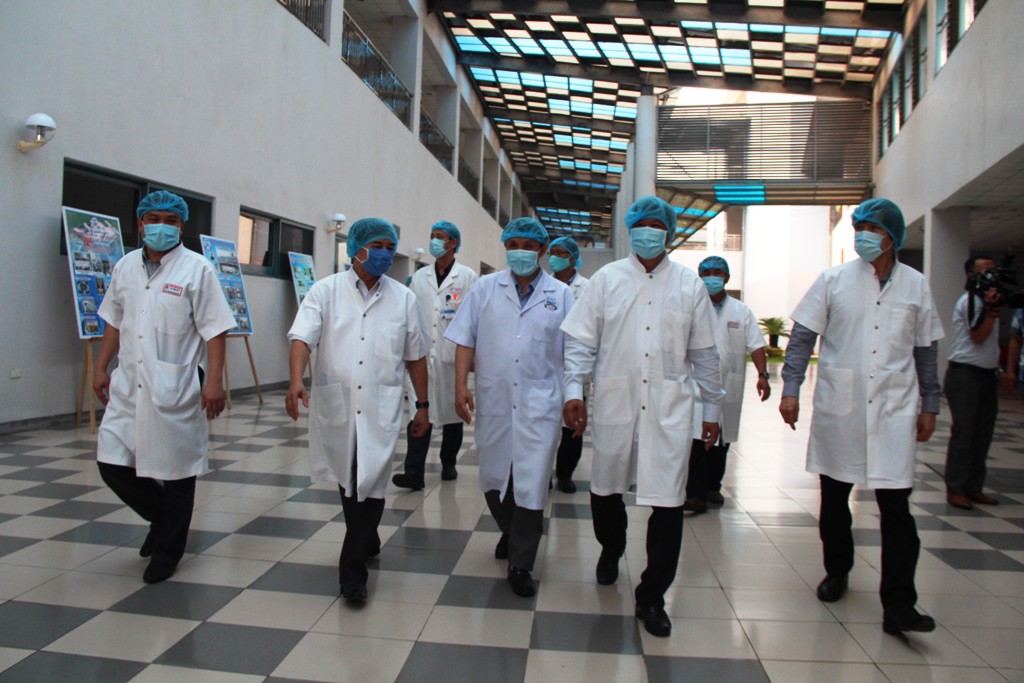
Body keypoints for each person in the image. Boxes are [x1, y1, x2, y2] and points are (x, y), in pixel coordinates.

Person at [561, 195, 725, 638]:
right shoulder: (606, 280)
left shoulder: (690, 286)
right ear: (630, 229)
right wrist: (574, 390)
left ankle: (652, 595)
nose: (649, 230)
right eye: (642, 223)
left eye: (658, 224)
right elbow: (580, 342)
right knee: (605, 489)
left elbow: (706, 354)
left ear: (669, 232)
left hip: (671, 410)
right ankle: (611, 548)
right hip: (617, 402)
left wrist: (713, 408)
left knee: (668, 502)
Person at [780, 198, 944, 635]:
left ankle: (899, 603)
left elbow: (926, 350)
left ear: (893, 236)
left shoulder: (916, 285)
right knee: (835, 500)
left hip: (894, 408)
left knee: (897, 507)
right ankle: (838, 570)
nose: (863, 235)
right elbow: (801, 338)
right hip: (842, 405)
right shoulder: (833, 281)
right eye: (858, 226)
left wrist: (931, 403)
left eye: (872, 227)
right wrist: (791, 390)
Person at [92, 190, 235, 584]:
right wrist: (100, 367)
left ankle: (168, 548)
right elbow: (113, 320)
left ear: (181, 227)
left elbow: (216, 329)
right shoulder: (124, 267)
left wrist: (216, 382)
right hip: (128, 386)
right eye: (154, 218)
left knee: (177, 471)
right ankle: (162, 521)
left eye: (171, 221)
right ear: (140, 223)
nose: (162, 226)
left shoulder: (197, 269)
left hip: (176, 384)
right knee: (112, 464)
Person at [286, 217, 429, 603]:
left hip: (380, 406)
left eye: (389, 246)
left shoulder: (404, 298)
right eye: (377, 245)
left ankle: (352, 572)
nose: (384, 253)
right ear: (356, 248)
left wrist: (424, 406)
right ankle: (367, 535)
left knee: (372, 479)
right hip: (339, 404)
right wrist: (296, 379)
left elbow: (415, 356)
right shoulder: (325, 291)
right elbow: (302, 337)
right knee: (350, 478)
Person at [445, 217, 574, 598]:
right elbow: (465, 340)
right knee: (494, 475)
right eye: (513, 243)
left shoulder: (561, 294)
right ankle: (509, 530)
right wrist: (460, 385)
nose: (520, 251)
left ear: (543, 250)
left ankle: (521, 562)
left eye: (528, 245)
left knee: (531, 482)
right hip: (495, 397)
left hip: (542, 400)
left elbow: (572, 352)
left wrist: (573, 396)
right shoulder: (485, 288)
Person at [393, 220, 478, 490]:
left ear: (453, 243)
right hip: (421, 355)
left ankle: (448, 462)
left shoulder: (467, 278)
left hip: (453, 357)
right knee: (420, 409)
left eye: (439, 237)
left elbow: (475, 319)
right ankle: (414, 471)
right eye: (432, 236)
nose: (434, 241)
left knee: (452, 413)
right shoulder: (419, 277)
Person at [683, 255, 770, 514]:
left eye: (717, 272)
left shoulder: (741, 311)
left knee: (722, 440)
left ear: (727, 278)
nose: (711, 277)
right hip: (697, 384)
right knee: (697, 439)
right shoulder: (692, 307)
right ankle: (695, 493)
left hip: (729, 384)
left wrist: (763, 375)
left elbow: (755, 344)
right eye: (706, 272)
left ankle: (713, 487)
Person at [943, 256, 1005, 510]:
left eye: (993, 271)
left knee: (982, 435)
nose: (990, 275)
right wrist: (990, 311)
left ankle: (974, 487)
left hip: (986, 374)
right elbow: (978, 336)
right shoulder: (969, 301)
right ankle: (956, 488)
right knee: (964, 434)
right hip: (964, 374)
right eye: (985, 271)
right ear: (971, 275)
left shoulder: (991, 302)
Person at [548, 236, 589, 493]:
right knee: (543, 422)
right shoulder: (544, 284)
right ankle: (541, 472)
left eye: (561, 253)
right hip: (547, 363)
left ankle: (564, 474)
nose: (555, 256)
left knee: (572, 425)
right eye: (552, 252)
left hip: (577, 363)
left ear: (573, 258)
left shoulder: (588, 287)